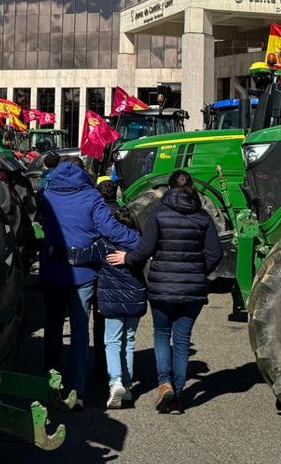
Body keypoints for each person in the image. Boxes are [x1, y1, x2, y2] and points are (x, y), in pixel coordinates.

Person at [109, 170, 222, 413]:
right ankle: (178, 393)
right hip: (193, 289)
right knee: (181, 341)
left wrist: (127, 258)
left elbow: (145, 249)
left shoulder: (159, 214)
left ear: (169, 189)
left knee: (161, 334)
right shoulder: (203, 217)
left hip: (161, 287)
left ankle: (164, 383)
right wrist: (199, 272)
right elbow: (215, 254)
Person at [38, 158, 139, 407]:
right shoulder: (91, 198)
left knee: (52, 328)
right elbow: (111, 229)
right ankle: (78, 389)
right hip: (82, 273)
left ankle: (50, 380)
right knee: (80, 331)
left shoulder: (46, 194)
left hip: (52, 270)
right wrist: (138, 241)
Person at [94, 177, 146, 409]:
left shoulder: (104, 244)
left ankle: (115, 382)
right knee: (130, 341)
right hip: (135, 295)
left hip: (111, 297)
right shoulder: (140, 245)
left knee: (112, 341)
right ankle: (128, 385)